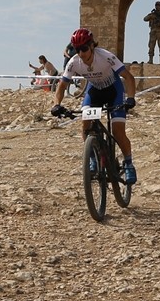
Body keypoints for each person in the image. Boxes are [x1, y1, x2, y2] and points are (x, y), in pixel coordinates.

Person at [50, 27, 139, 184]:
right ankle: (92, 159)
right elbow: (62, 86)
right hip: (95, 92)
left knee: (118, 131)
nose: (81, 53)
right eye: (78, 50)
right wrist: (57, 104)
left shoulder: (106, 56)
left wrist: (130, 99)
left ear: (92, 46)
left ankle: (128, 163)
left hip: (114, 90)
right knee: (86, 126)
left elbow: (128, 78)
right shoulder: (74, 62)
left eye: (84, 48)